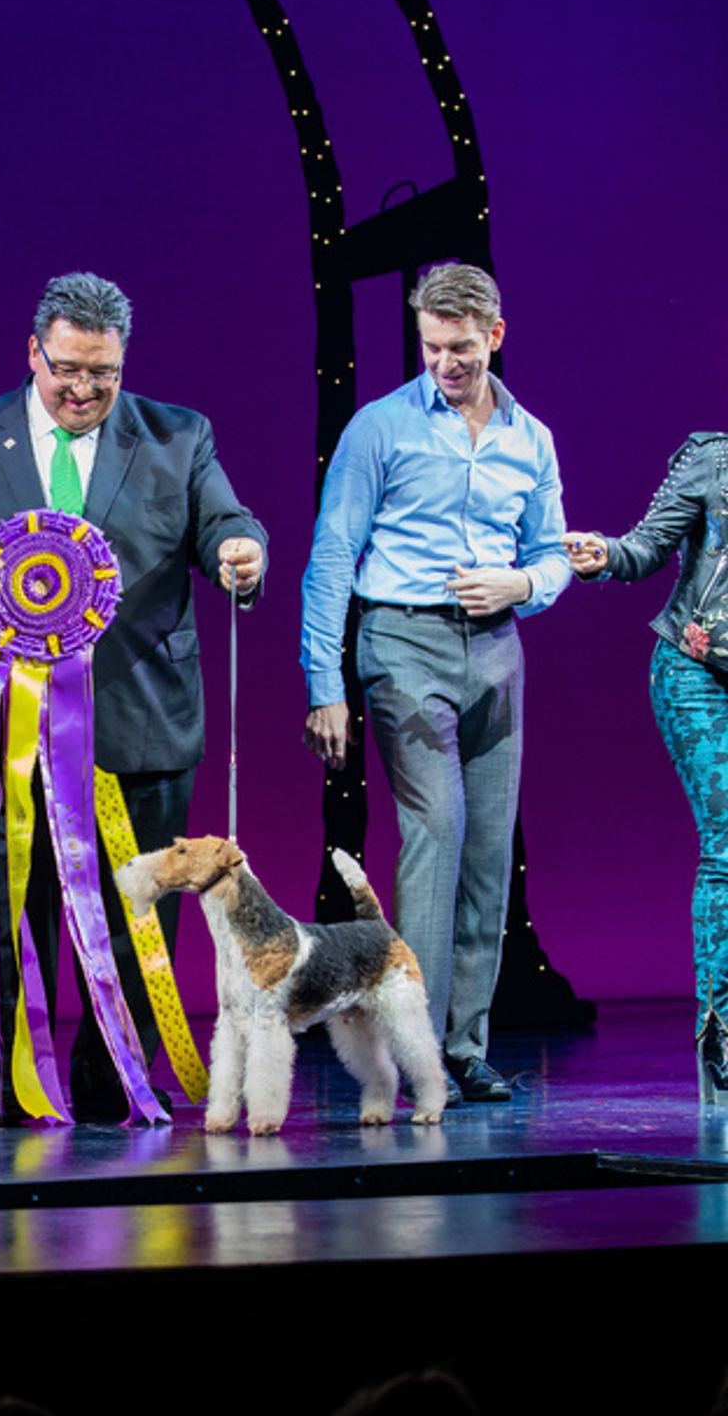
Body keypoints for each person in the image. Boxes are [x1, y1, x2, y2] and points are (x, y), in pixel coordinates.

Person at [0, 270, 266, 1124]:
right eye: (67, 371)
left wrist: (243, 549)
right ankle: (8, 1071)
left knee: (135, 925)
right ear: (33, 353)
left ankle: (115, 1072)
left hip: (140, 722)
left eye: (104, 374)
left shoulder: (178, 436)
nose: (84, 390)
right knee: (8, 905)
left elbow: (225, 524)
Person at [301, 262, 570, 1102]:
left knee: (490, 852)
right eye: (429, 346)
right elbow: (333, 556)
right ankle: (414, 1054)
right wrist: (324, 681)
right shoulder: (379, 428)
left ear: (494, 335)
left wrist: (522, 586)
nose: (444, 363)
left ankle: (462, 1047)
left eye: (460, 347)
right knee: (438, 835)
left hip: (495, 647)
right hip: (403, 642)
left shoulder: (531, 437)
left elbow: (552, 551)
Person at [565, 439, 728, 1099]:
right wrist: (606, 554)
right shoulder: (712, 459)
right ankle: (720, 1049)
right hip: (697, 675)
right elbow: (647, 546)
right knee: (727, 846)